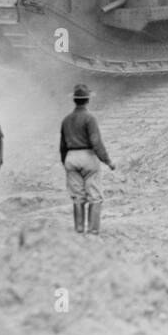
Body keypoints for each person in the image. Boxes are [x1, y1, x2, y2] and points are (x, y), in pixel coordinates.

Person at [60, 83, 115, 234]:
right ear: (88, 100)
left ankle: (78, 229)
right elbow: (96, 143)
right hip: (88, 157)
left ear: (74, 100)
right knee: (95, 196)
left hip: (71, 157)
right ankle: (93, 230)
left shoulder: (66, 120)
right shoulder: (89, 119)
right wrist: (107, 161)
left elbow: (62, 146)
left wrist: (66, 162)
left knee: (77, 197)